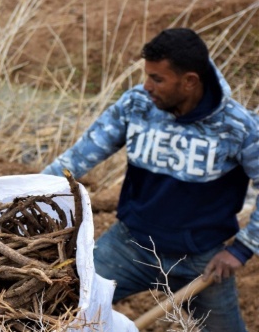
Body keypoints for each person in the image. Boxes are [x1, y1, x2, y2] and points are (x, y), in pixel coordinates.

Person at [42, 28, 258, 331]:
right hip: (128, 246)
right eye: (147, 76)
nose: (146, 86)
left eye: (157, 79)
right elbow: (79, 157)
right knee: (58, 306)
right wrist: (29, 193)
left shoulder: (237, 127)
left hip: (201, 261)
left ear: (189, 81)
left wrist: (242, 249)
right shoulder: (137, 106)